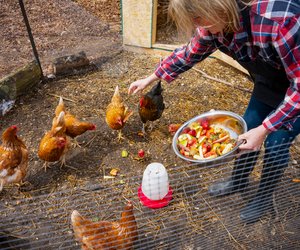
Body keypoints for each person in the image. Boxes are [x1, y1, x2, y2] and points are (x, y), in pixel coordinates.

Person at [128, 0, 300, 223]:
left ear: (216, 7)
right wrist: (151, 78)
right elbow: (188, 53)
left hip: (297, 86)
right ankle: (238, 181)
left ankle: (263, 198)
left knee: (276, 143)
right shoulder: (214, 26)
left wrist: (265, 129)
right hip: (272, 80)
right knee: (247, 127)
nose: (196, 25)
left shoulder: (280, 21)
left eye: (197, 18)